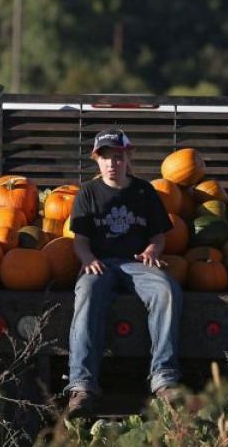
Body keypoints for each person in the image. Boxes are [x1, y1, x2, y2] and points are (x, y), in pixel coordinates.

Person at [64, 129, 183, 418]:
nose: (112, 164)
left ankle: (164, 378)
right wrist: (88, 258)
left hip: (136, 264)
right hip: (101, 263)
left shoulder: (144, 191)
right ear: (97, 160)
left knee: (167, 289)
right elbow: (79, 240)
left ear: (129, 157)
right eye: (105, 158)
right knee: (87, 291)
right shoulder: (88, 193)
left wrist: (153, 251)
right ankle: (82, 386)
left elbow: (159, 235)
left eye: (118, 157)